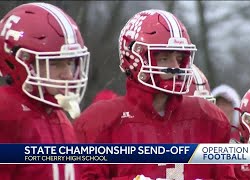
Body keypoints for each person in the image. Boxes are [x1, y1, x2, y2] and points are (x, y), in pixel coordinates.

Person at [74, 9, 236, 179]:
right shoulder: (101, 120)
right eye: (164, 58)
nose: (175, 67)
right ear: (134, 58)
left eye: (179, 59)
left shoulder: (208, 118)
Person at [0, 2, 90, 179]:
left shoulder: (59, 118)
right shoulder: (6, 113)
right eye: (56, 64)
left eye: (70, 63)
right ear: (23, 62)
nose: (69, 75)